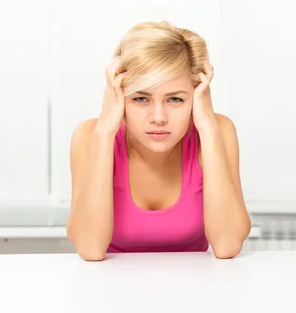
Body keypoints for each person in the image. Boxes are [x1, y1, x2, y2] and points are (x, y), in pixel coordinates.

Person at [66, 21, 251, 261]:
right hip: (110, 293)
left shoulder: (217, 131)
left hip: (199, 292)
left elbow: (228, 245)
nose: (158, 118)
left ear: (196, 97)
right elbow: (89, 248)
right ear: (119, 96)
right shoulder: (91, 136)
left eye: (175, 100)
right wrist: (105, 130)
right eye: (141, 99)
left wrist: (206, 125)